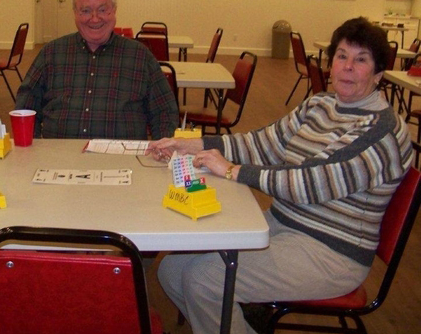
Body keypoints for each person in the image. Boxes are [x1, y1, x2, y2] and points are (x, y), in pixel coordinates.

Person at [147, 17, 413, 334]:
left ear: (379, 74)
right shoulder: (321, 104)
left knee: (205, 280)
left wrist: (231, 170)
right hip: (284, 224)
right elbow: (264, 143)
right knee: (171, 269)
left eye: (361, 60)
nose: (347, 67)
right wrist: (195, 144)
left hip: (331, 252)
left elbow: (309, 182)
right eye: (341, 56)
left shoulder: (381, 130)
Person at [15, 0, 178, 139]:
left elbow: (164, 112)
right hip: (59, 158)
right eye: (85, 11)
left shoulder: (139, 56)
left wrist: (162, 149)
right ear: (75, 14)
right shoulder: (52, 53)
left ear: (114, 11)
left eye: (102, 10)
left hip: (123, 158)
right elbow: (25, 106)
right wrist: (32, 148)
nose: (94, 18)